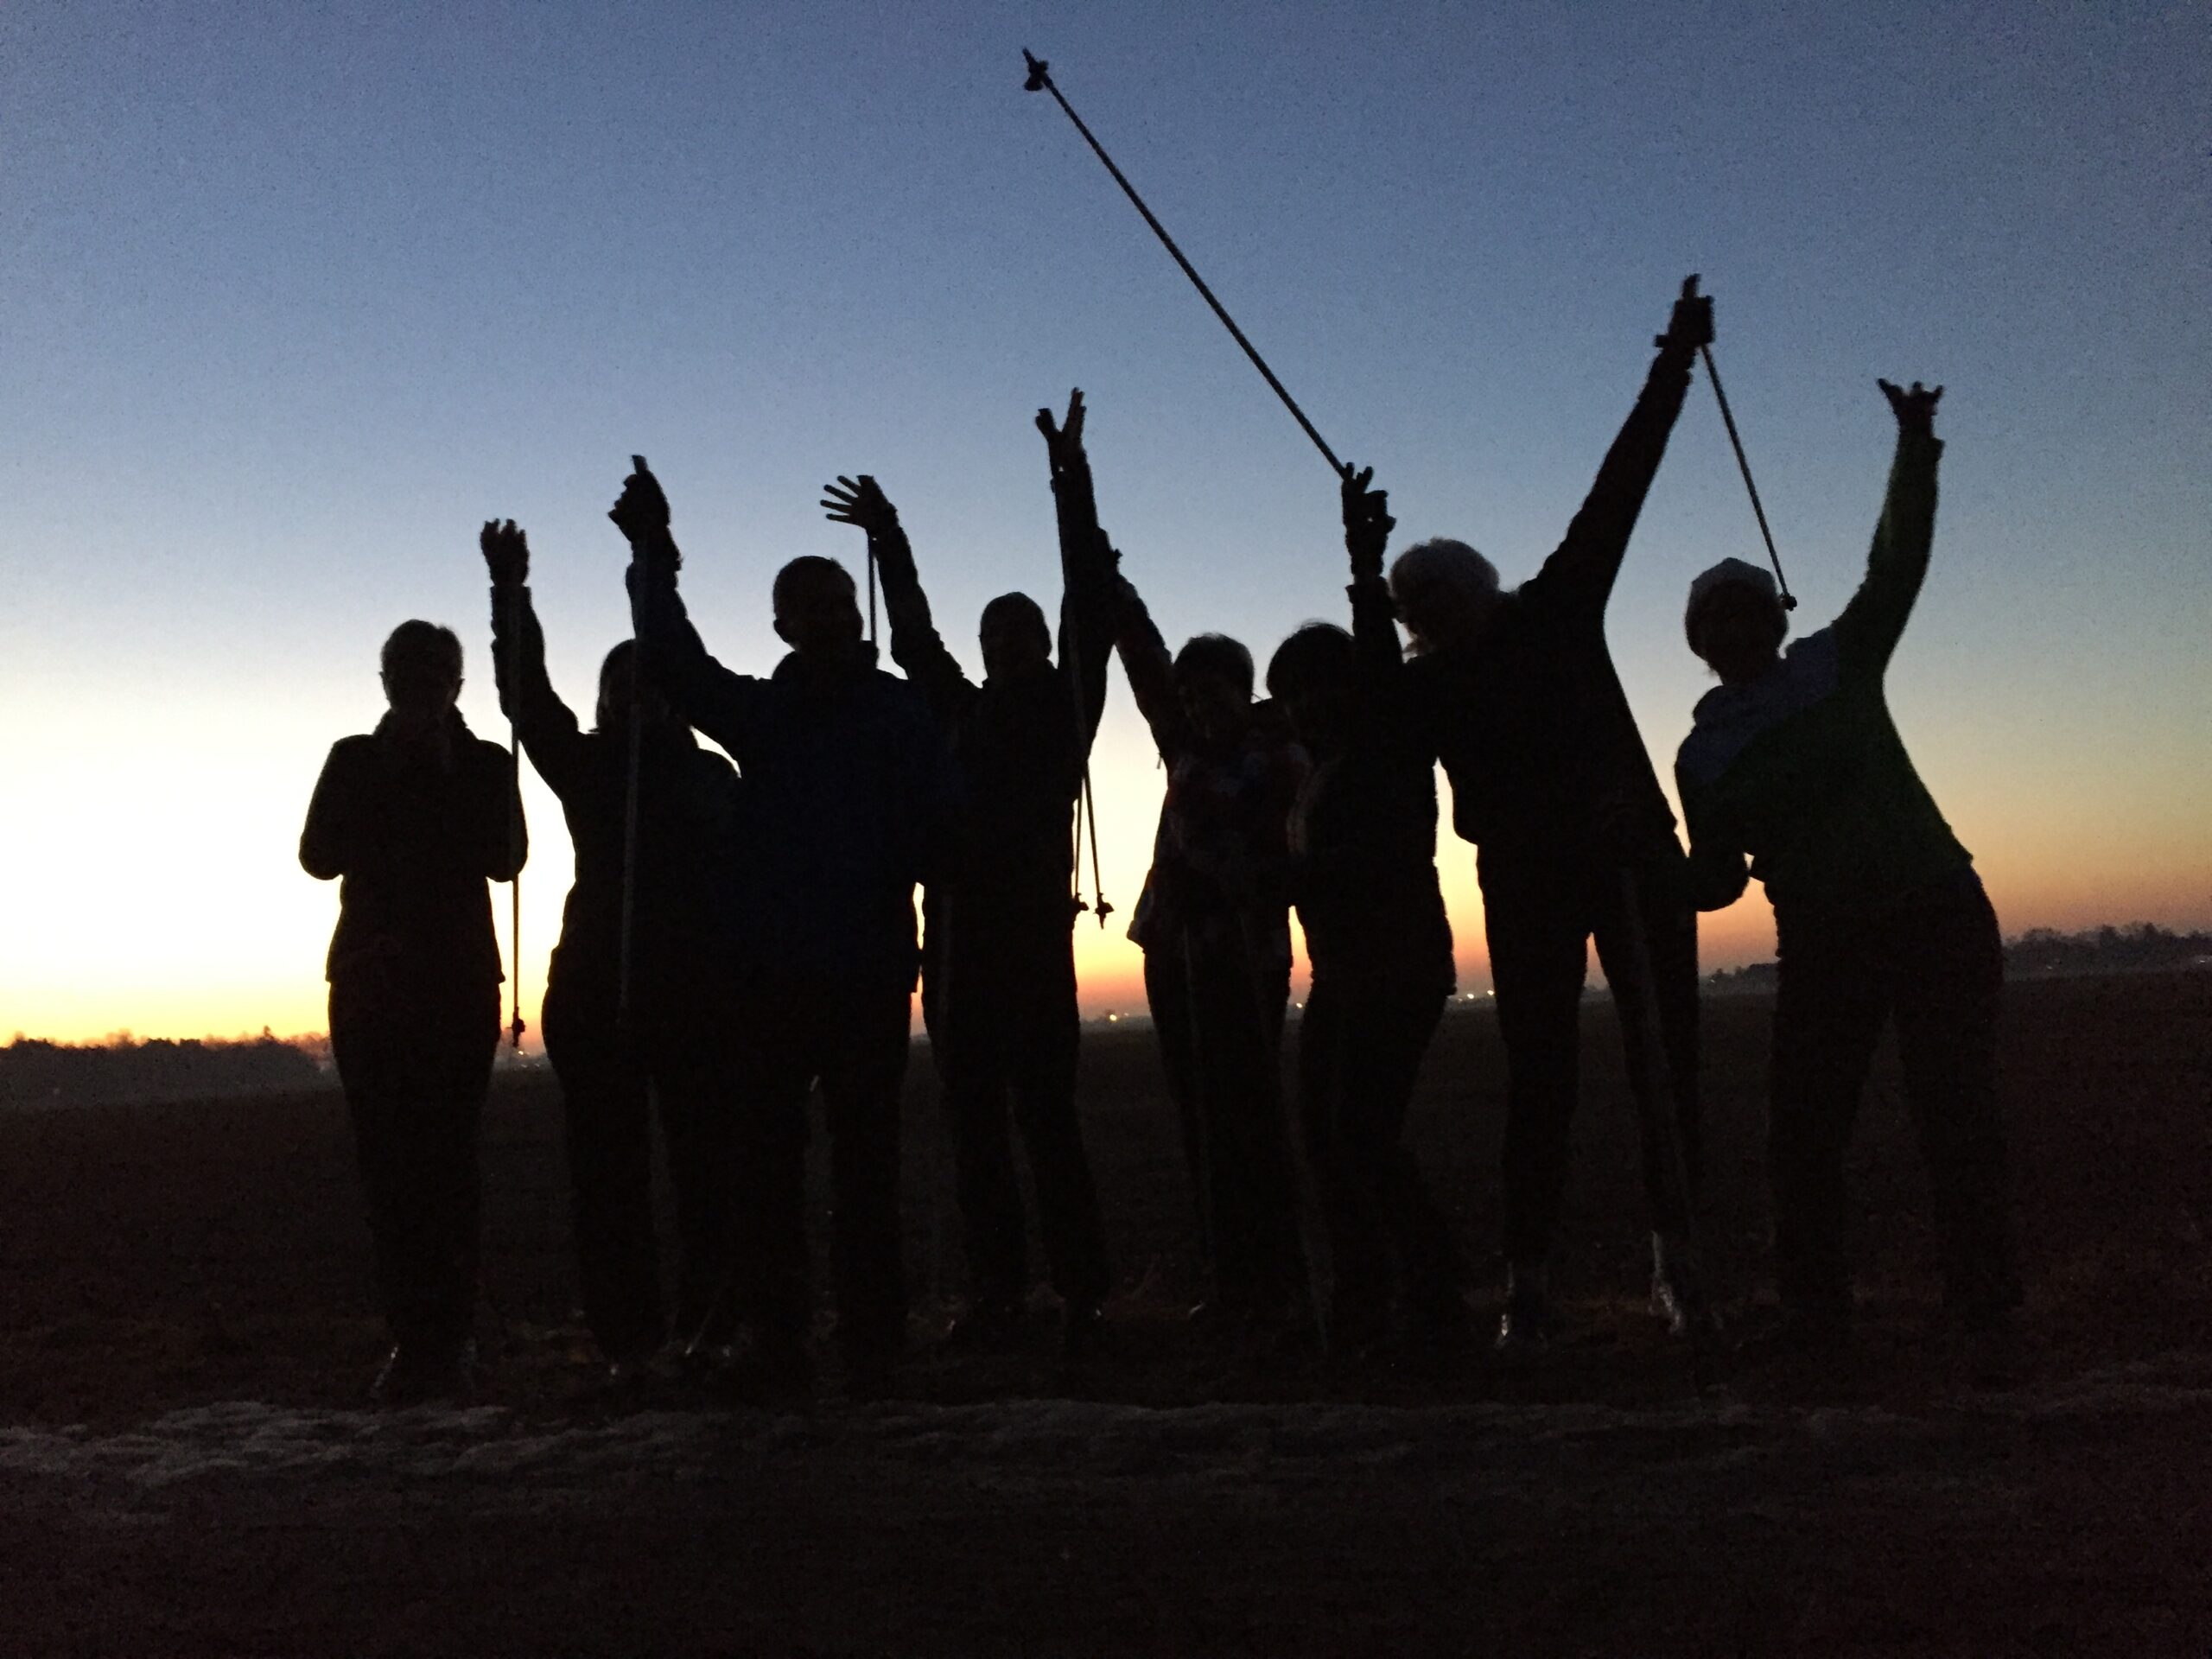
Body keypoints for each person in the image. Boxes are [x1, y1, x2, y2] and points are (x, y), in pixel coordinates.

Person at [1390, 277, 1714, 1349]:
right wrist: (1357, 559)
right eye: (1412, 610)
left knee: (1665, 1064)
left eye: (1437, 597)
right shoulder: (1425, 685)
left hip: (1630, 858)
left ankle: (1680, 1271)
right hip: (1526, 885)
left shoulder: (1560, 604)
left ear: (1478, 587)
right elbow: (1366, 701)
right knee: (1540, 1079)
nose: (1428, 617)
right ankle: (1528, 1286)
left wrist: (1672, 362)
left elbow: (1622, 480)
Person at [1675, 379, 2020, 1354]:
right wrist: (1646, 867)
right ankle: (1814, 1312)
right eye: (1715, 620)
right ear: (1699, 644)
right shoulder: (1701, 754)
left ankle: (1985, 1305)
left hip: (1935, 910)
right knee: (1803, 1133)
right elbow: (1716, 876)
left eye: (1746, 612)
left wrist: (1914, 444)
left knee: (1955, 1114)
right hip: (1824, 942)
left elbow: (1896, 563)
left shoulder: (1839, 660)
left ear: (1774, 620)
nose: (1734, 629)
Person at [615, 461, 957, 1398]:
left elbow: (940, 824)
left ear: (853, 611)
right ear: (782, 626)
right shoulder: (766, 715)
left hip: (865, 969)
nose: (828, 616)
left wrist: (889, 541)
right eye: (806, 605)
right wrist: (652, 551)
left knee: (864, 1159)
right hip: (768, 974)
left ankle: (872, 1332)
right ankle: (781, 1332)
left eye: (838, 601)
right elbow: (675, 660)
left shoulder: (898, 713)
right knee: (767, 1162)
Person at [818, 391, 1115, 1357]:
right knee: (977, 1128)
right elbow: (913, 639)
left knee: (1045, 1122)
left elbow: (1087, 597)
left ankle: (1081, 1293)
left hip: (1027, 944)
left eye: (1016, 633)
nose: (1002, 645)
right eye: (993, 636)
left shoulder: (1065, 709)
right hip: (955, 947)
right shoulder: (959, 710)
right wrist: (889, 539)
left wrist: (1070, 483)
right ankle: (1002, 1293)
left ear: (1041, 645)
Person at [480, 519, 746, 1386]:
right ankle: (628, 1339)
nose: (635, 699)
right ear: (603, 702)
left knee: (707, 1168)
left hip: (696, 992)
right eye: (619, 687)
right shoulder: (590, 767)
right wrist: (510, 597)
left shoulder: (711, 776)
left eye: (650, 685)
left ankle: (711, 1326)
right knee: (607, 1174)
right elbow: (527, 698)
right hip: (599, 990)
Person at [1263, 467, 1463, 1360]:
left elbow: (1380, 671)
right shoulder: (1320, 769)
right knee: (1325, 1137)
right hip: (1343, 977)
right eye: (1294, 694)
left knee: (1360, 1136)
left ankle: (1433, 1302)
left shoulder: (1387, 743)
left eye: (1320, 687)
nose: (1308, 705)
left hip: (1398, 966)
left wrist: (1364, 570)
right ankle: (1363, 1301)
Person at [300, 618, 525, 1402]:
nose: (420, 688)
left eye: (434, 675)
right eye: (407, 673)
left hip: (455, 984)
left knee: (449, 1163)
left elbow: (507, 859)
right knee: (388, 1167)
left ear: (456, 686)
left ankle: (449, 1338)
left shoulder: (486, 764)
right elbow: (316, 856)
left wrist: (446, 775)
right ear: (387, 681)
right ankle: (412, 1339)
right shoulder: (354, 760)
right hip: (373, 984)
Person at [1112, 562, 1310, 1332]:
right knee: (1198, 1113)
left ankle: (1278, 1275)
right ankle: (1229, 1273)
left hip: (1244, 955)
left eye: (1213, 691)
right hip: (1173, 949)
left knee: (1250, 1115)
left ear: (1243, 689)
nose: (1199, 705)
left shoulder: (1281, 756)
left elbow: (1283, 860)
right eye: (1190, 695)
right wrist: (1113, 586)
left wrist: (1229, 889)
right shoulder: (1182, 744)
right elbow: (1143, 659)